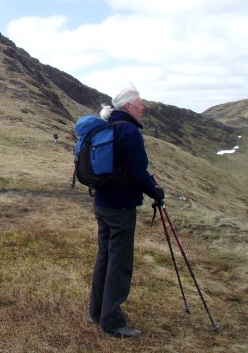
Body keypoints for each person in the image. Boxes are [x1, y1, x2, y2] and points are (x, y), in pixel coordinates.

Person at [88, 84, 164, 338]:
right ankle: (111, 323)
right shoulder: (129, 132)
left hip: (102, 203)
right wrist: (156, 192)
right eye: (140, 103)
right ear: (129, 106)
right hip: (120, 207)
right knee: (119, 264)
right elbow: (137, 172)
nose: (143, 107)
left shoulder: (107, 127)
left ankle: (96, 312)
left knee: (105, 258)